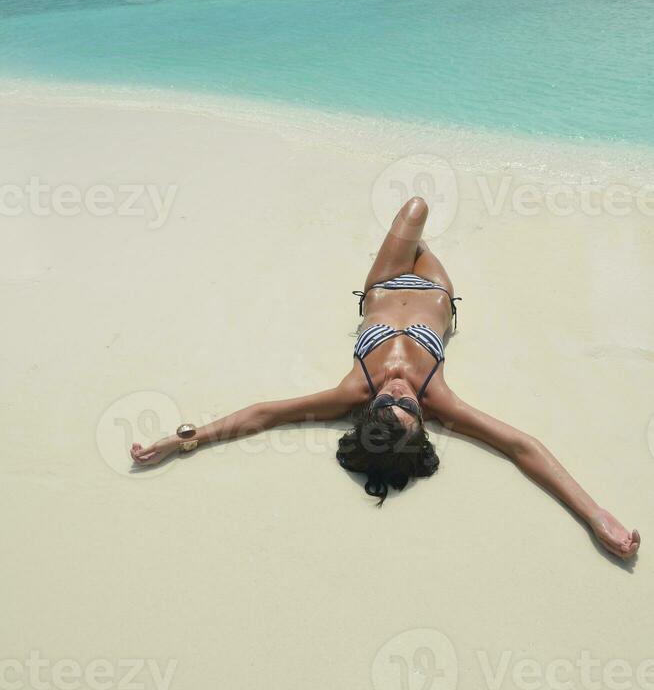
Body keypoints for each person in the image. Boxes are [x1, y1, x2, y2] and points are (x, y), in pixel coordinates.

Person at [131, 196, 640, 560]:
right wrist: (595, 515)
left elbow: (264, 415)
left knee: (416, 208)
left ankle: (408, 243)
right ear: (422, 418)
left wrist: (187, 439)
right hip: (436, 290)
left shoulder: (352, 391)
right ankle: (424, 247)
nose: (400, 391)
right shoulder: (437, 396)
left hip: (384, 280)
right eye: (410, 407)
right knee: (419, 221)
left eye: (389, 402)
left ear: (368, 412)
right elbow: (521, 447)